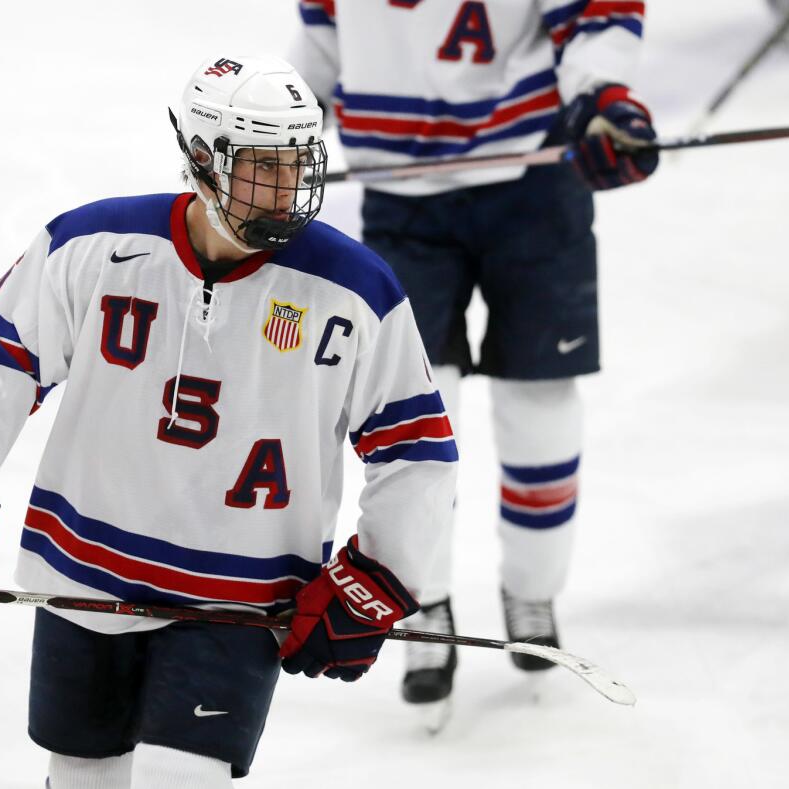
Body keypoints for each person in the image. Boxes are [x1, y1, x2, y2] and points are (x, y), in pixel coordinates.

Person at [0, 54, 458, 787]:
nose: (287, 191)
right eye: (262, 167)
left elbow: (417, 448)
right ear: (200, 159)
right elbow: (0, 363)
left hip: (241, 596)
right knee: (82, 775)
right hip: (85, 576)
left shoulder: (354, 291)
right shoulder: (92, 247)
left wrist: (380, 575)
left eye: (297, 163)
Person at [289, 0, 658, 716]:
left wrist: (601, 97)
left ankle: (534, 585)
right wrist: (281, 131)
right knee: (416, 418)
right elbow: (323, 41)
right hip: (402, 199)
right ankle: (420, 596)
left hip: (533, 178)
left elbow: (594, 14)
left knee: (539, 404)